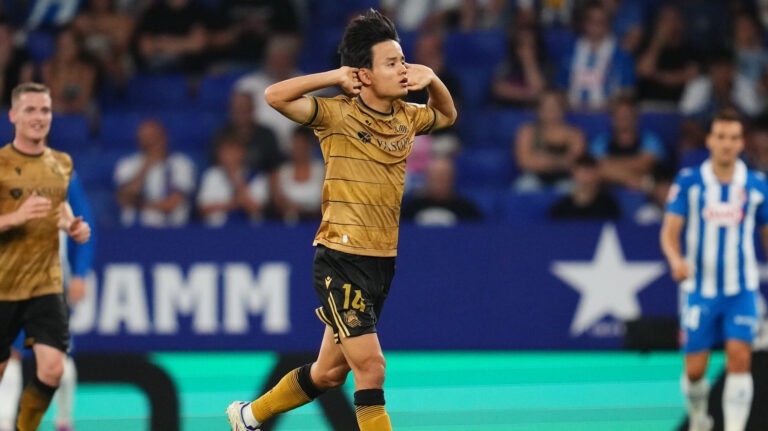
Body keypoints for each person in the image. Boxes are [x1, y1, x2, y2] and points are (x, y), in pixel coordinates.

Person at [226, 9, 456, 431]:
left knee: (328, 373)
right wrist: (334, 76)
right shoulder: (337, 114)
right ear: (364, 74)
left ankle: (249, 415)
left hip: (381, 261)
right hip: (341, 259)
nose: (403, 70)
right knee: (372, 368)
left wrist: (433, 80)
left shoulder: (407, 115)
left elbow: (446, 116)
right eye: (392, 63)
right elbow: (274, 96)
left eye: (403, 61)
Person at [661, 109, 763, 431]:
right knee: (694, 370)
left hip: (741, 288)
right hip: (699, 289)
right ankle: (699, 418)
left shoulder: (757, 185)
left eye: (734, 138)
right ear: (709, 140)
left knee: (740, 358)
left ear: (741, 143)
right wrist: (676, 260)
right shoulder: (690, 182)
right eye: (721, 137)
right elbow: (669, 232)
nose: (727, 144)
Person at [0, 82, 91, 431]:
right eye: (31, 110)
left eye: (45, 110)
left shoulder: (62, 167)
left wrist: (75, 232)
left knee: (55, 366)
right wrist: (16, 217)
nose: (39, 117)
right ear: (13, 115)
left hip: (47, 282)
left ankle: (57, 423)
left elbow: (74, 214)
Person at [113, 118, 196, 227]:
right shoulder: (127, 164)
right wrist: (145, 167)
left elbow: (173, 203)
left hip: (172, 230)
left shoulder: (182, 164)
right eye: (145, 138)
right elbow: (123, 199)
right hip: (134, 230)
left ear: (165, 137)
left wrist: (139, 204)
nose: (150, 142)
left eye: (154, 137)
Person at [555, 1, 635, 111]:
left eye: (600, 22)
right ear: (584, 23)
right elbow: (560, 89)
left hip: (608, 117)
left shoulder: (622, 56)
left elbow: (628, 92)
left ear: (608, 24)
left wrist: (608, 106)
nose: (595, 26)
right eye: (591, 21)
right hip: (573, 115)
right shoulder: (569, 53)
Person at [514, 90, 585, 192]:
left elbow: (574, 163)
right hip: (534, 177)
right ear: (538, 110)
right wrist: (560, 161)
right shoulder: (527, 131)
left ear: (563, 109)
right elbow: (525, 162)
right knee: (523, 188)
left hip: (566, 179)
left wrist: (540, 159)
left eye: (555, 107)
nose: (551, 111)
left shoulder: (575, 134)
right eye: (546, 107)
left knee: (575, 191)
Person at [590, 97, 666, 189]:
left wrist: (610, 167)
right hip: (610, 192)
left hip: (644, 196)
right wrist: (636, 179)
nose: (624, 120)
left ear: (636, 118)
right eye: (619, 116)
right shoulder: (601, 142)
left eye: (628, 116)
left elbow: (645, 165)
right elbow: (596, 168)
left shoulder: (650, 139)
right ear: (612, 119)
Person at [197, 134, 269, 226]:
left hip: (249, 232)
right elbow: (203, 209)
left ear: (242, 153)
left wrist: (236, 181)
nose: (228, 156)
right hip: (217, 231)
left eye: (231, 151)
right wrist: (235, 203)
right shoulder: (212, 175)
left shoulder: (257, 177)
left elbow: (254, 208)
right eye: (224, 151)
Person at [401, 156, 482, 226]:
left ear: (453, 179)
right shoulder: (410, 210)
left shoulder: (467, 211)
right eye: (435, 177)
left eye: (444, 177)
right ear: (427, 178)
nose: (440, 182)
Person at [270, 127, 324, 223]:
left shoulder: (322, 171)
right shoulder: (281, 172)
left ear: (309, 146)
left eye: (301, 146)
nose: (298, 150)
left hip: (317, 223)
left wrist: (306, 213)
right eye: (295, 146)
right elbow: (277, 200)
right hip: (287, 224)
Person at [548, 154, 621, 220]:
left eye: (590, 172)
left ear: (597, 174)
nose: (586, 177)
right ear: (574, 174)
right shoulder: (561, 209)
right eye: (583, 172)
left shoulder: (608, 206)